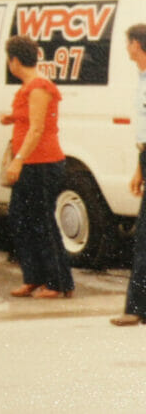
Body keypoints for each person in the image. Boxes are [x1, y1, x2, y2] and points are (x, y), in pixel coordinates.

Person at [0, 35, 74, 300]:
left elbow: (38, 128)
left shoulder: (39, 87)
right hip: (31, 162)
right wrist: (13, 117)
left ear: (15, 60)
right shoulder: (29, 87)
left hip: (41, 163)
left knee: (41, 221)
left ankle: (57, 281)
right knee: (21, 219)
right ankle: (34, 277)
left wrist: (18, 159)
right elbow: (30, 118)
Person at [112, 23, 146, 325]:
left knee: (144, 237)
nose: (126, 49)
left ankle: (136, 308)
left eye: (127, 43)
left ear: (137, 45)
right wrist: (139, 167)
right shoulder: (141, 77)